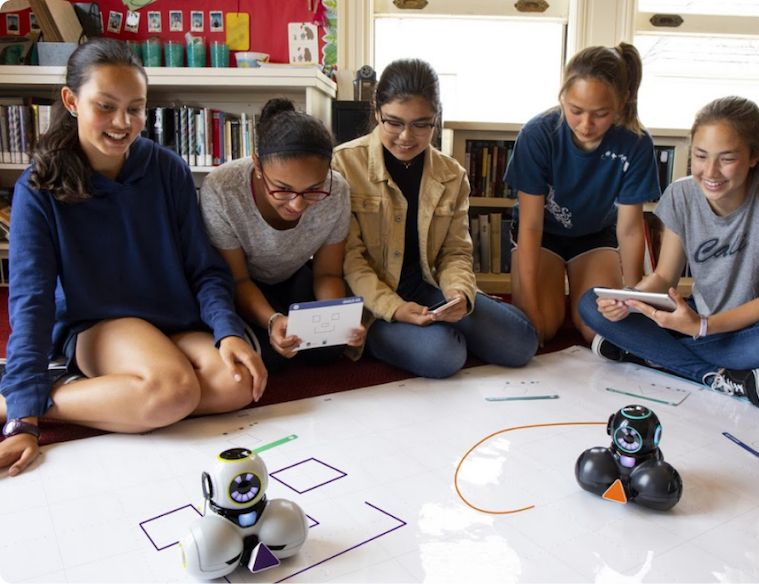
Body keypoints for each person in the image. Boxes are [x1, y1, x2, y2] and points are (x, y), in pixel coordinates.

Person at [0, 38, 265, 477]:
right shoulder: (38, 186)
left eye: (136, 108)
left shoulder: (168, 168)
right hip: (97, 324)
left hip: (172, 321)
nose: (123, 123)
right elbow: (31, 301)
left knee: (238, 383)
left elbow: (204, 267)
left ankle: (109, 396)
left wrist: (227, 332)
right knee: (174, 392)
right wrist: (23, 419)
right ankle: (24, 396)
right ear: (71, 101)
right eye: (105, 106)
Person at [578, 96, 759, 410]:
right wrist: (629, 298)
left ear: (753, 155)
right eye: (701, 156)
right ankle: (714, 376)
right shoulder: (681, 193)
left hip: (752, 329)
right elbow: (663, 277)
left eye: (726, 158)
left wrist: (704, 327)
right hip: (696, 322)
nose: (710, 171)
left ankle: (649, 354)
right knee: (591, 303)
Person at [333, 58, 538, 378]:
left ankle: (454, 325)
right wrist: (394, 308)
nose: (406, 136)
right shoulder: (343, 165)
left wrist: (458, 292)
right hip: (371, 304)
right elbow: (349, 261)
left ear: (436, 119)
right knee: (444, 355)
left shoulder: (451, 174)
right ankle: (385, 340)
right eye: (394, 122)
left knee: (520, 344)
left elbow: (456, 251)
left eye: (421, 124)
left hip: (429, 288)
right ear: (376, 111)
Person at [504, 44, 662, 345]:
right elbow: (530, 225)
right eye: (575, 111)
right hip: (543, 235)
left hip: (595, 238)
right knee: (538, 330)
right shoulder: (538, 134)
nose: (586, 125)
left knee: (601, 329)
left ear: (622, 101)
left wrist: (630, 296)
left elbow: (629, 230)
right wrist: (532, 307)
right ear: (563, 96)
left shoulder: (636, 143)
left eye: (600, 114)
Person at [200, 97, 364, 371]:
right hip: (242, 285)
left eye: (313, 189)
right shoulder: (222, 188)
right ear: (258, 166)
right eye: (282, 189)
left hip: (292, 276)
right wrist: (272, 319)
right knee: (269, 356)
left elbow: (327, 273)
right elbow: (237, 278)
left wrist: (338, 319)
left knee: (329, 348)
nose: (297, 204)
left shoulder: (337, 191)